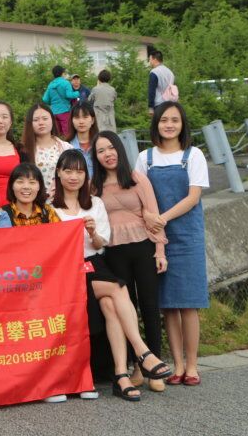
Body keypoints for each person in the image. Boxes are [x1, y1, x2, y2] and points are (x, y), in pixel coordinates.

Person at [50, 149, 172, 403]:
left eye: (79, 172)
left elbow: (100, 244)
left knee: (110, 303)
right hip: (67, 270)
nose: (74, 177)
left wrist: (93, 233)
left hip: (94, 263)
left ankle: (120, 375)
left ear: (86, 176)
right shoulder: (50, 209)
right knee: (118, 289)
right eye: (68, 171)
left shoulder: (94, 204)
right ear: (58, 173)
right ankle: (141, 351)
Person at [134, 101, 209, 387]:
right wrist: (151, 220)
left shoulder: (194, 155)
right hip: (156, 239)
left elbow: (193, 198)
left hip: (187, 235)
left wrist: (160, 218)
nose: (168, 124)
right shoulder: (145, 157)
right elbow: (139, 196)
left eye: (174, 120)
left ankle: (192, 364)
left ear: (182, 124)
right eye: (164, 120)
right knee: (168, 305)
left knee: (189, 303)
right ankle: (176, 364)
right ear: (156, 125)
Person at [91, 132, 169, 393]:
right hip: (114, 251)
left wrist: (160, 250)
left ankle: (154, 368)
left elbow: (154, 216)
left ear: (120, 150)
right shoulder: (94, 186)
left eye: (111, 148)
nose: (108, 154)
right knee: (129, 308)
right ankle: (138, 366)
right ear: (96, 156)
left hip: (143, 246)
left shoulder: (137, 179)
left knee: (149, 305)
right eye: (101, 150)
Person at [21, 102, 72, 199]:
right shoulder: (23, 151)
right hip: (34, 203)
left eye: (45, 119)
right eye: (36, 120)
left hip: (62, 202)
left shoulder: (66, 148)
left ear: (52, 120)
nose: (41, 123)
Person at [41, 66, 79, 137]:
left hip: (53, 112)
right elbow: (69, 95)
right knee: (67, 133)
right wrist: (77, 93)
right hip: (64, 111)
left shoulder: (51, 85)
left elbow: (45, 99)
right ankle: (67, 147)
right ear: (62, 73)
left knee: (56, 134)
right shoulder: (66, 83)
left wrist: (52, 103)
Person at [67, 102, 99, 178]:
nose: (81, 121)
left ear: (92, 120)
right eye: (77, 117)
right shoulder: (66, 146)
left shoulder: (100, 144)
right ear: (72, 121)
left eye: (85, 117)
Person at [147, 49, 177, 116]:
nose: (149, 62)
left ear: (154, 59)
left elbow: (151, 91)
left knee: (159, 125)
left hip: (159, 105)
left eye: (150, 59)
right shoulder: (170, 72)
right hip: (170, 104)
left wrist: (150, 107)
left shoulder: (154, 72)